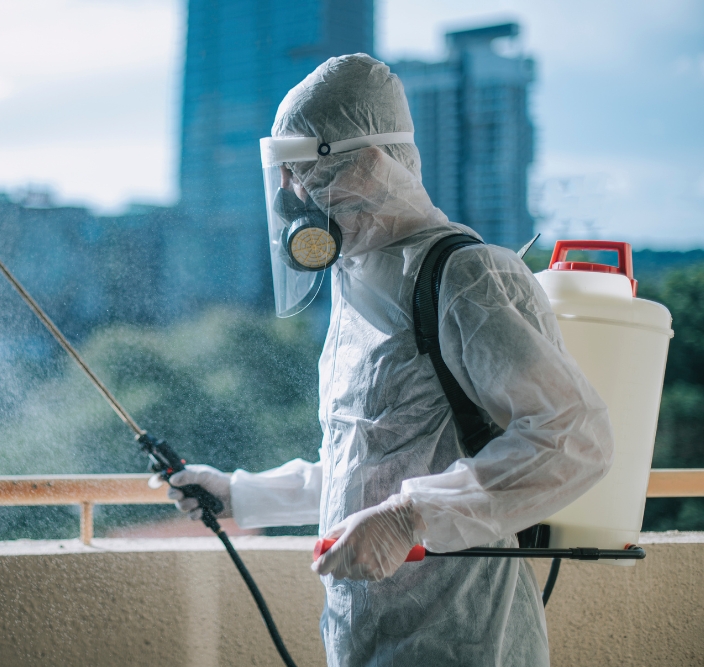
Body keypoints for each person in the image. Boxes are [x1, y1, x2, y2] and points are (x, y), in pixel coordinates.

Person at [160, 54, 613, 666]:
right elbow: (368, 464)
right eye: (287, 177)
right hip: (364, 639)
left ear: (369, 163)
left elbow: (573, 438)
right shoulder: (358, 282)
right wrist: (241, 494)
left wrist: (410, 517)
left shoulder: (466, 276)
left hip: (463, 638)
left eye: (308, 174)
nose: (294, 197)